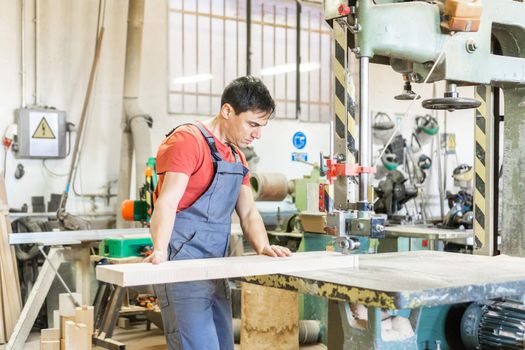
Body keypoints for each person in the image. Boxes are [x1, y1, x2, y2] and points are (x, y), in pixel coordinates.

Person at [145, 76, 292, 350]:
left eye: (262, 126)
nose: (257, 134)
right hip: (182, 267)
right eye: (252, 124)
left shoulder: (237, 156)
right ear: (227, 111)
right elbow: (166, 202)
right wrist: (160, 251)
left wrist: (264, 246)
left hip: (216, 267)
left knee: (224, 344)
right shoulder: (187, 140)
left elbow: (248, 212)